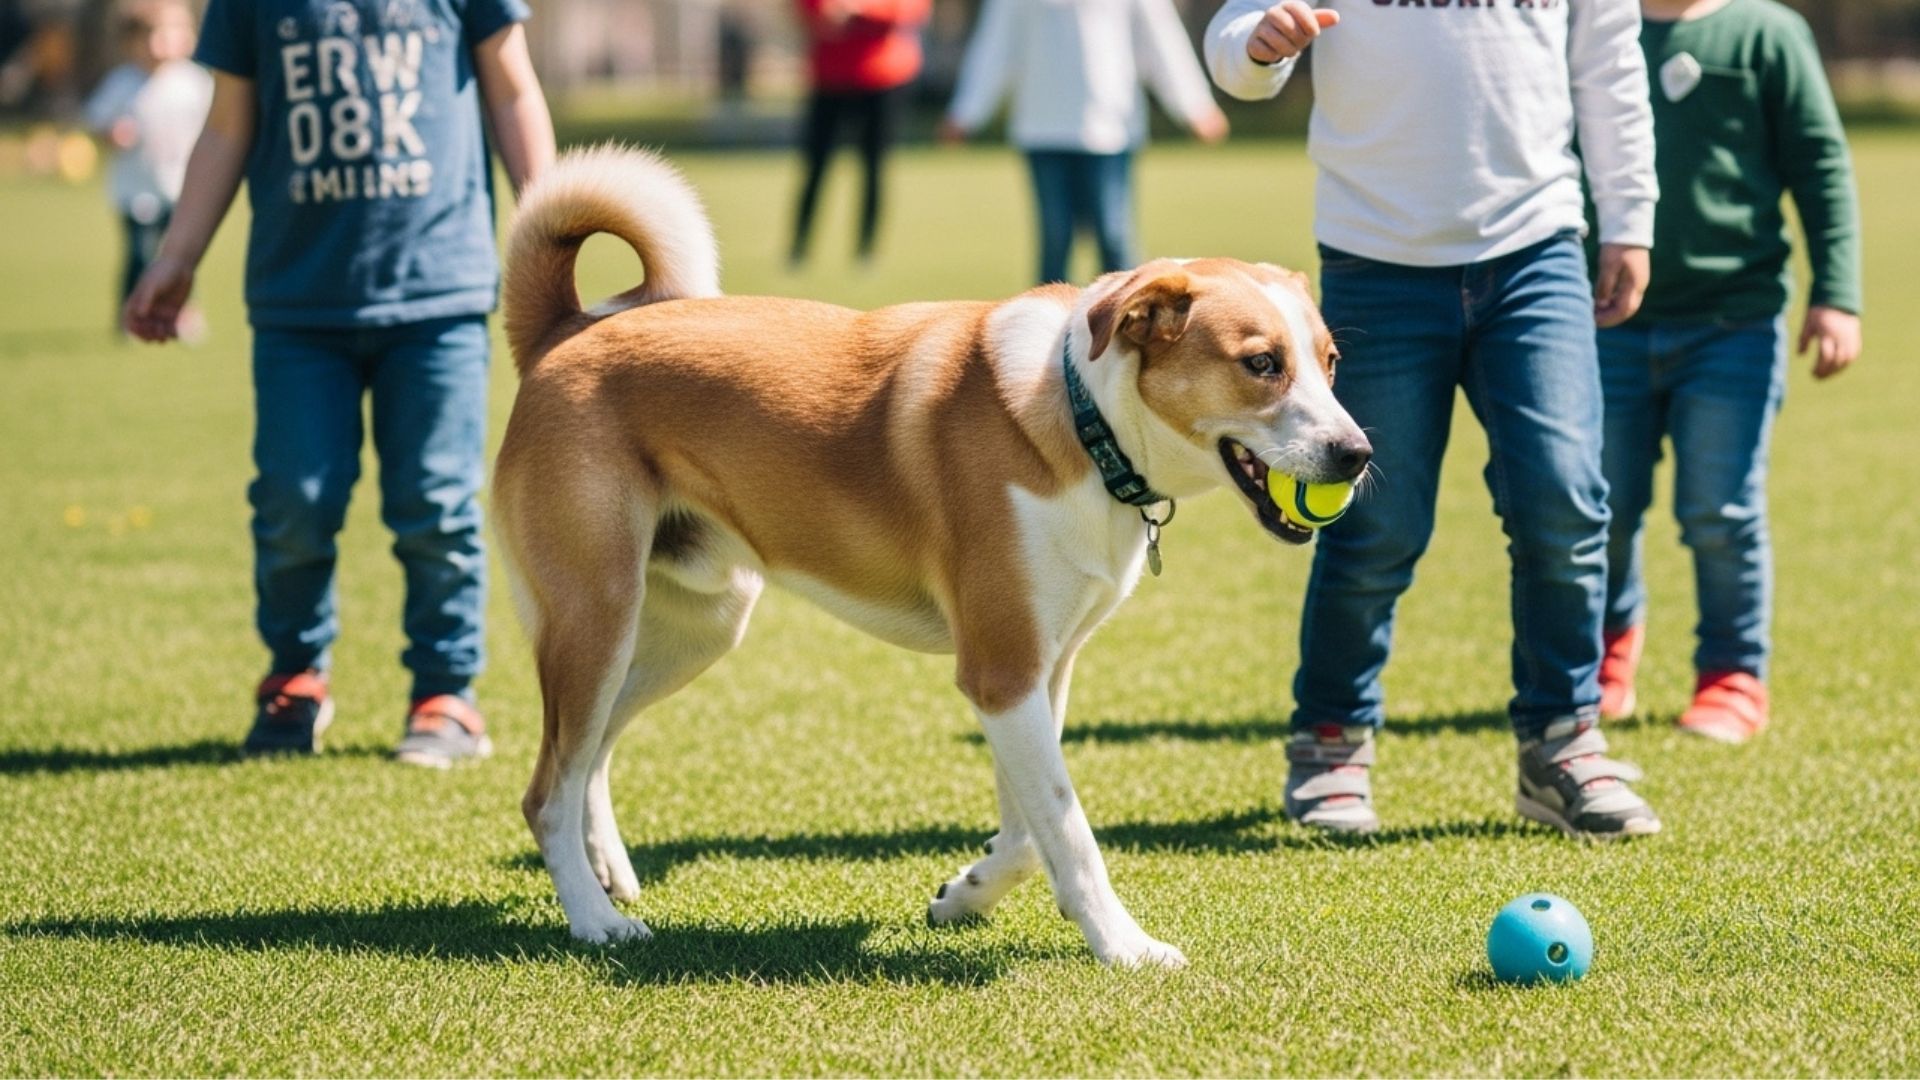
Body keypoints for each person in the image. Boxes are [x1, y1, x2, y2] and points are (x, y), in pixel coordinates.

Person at [1205, 0, 1662, 838]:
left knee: (1564, 501)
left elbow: (1609, 61)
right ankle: (1331, 742)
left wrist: (1629, 220)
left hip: (1536, 250)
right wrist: (1258, 48)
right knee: (1374, 522)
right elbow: (1233, 50)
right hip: (1376, 259)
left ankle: (1563, 742)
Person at [122, 0, 556, 766]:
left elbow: (511, 89)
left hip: (438, 297)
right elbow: (228, 126)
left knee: (435, 502)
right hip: (298, 304)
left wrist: (552, 227)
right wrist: (177, 255)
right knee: (295, 500)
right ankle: (294, 678)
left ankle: (446, 693)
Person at [1593, 0, 1863, 744]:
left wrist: (1837, 295)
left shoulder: (1766, 34)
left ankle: (1732, 675)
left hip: (1732, 325)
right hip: (1604, 323)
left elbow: (1820, 165)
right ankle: (1605, 654)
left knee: (1721, 512)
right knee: (1601, 508)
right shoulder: (1590, 24)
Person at [943, 0, 1229, 285]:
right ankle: (1047, 328)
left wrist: (1195, 105)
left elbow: (1161, 41)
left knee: (1114, 237)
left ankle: (1127, 324)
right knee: (1055, 240)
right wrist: (965, 113)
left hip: (1109, 130)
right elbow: (995, 47)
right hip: (1042, 130)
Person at [84, 0, 209, 337]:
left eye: (176, 32)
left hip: (182, 189)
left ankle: (180, 314)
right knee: (139, 256)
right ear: (132, 44)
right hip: (136, 191)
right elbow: (94, 120)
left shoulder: (194, 82)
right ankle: (131, 314)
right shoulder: (122, 83)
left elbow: (218, 128)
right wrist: (111, 133)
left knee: (181, 256)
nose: (167, 42)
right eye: (156, 35)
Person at [789, 0, 929, 268]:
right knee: (815, 166)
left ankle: (866, 249)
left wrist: (861, 11)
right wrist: (824, 15)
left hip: (882, 75)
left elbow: (911, 9)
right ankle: (799, 246)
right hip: (831, 75)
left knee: (874, 167)